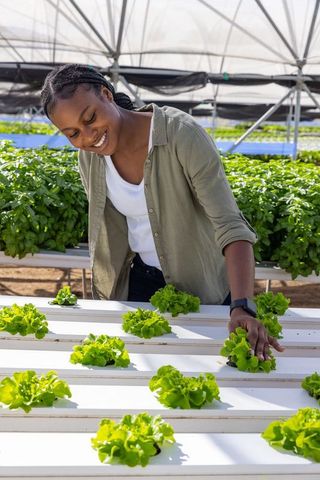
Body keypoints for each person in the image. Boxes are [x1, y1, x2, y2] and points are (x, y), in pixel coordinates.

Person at [41, 63, 283, 360]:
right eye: (73, 133)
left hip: (204, 287)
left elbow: (231, 225)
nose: (88, 136)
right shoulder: (89, 159)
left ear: (106, 94)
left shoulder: (181, 135)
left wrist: (243, 305)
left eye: (90, 118)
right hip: (141, 284)